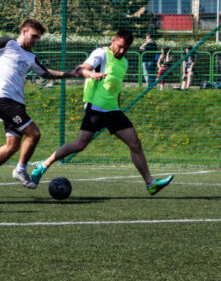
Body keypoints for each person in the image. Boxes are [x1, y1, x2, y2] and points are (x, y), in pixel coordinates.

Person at [0, 19, 103, 195]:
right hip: (3, 100)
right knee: (34, 134)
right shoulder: (7, 44)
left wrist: (70, 74)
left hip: (17, 104)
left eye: (38, 38)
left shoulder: (31, 57)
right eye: (34, 36)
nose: (35, 41)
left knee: (12, 145)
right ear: (24, 31)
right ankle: (20, 169)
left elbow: (47, 73)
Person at [30, 30, 174, 195]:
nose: (121, 51)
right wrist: (91, 73)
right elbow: (81, 69)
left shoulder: (124, 62)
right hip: (96, 108)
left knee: (135, 144)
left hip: (113, 110)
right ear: (113, 41)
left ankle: (150, 183)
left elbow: (116, 88)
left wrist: (119, 107)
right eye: (119, 46)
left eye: (125, 48)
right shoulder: (101, 54)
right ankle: (43, 165)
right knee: (79, 145)